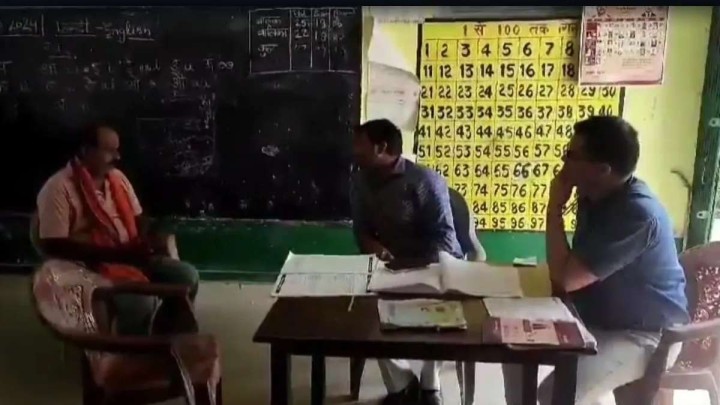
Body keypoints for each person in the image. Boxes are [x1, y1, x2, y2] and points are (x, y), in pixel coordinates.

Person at [502, 116, 689, 405]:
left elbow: (565, 278)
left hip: (643, 335)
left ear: (602, 170)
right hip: (593, 317)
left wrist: (554, 209)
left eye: (571, 155)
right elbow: (567, 274)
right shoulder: (594, 194)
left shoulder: (636, 214)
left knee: (555, 394)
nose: (563, 161)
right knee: (510, 345)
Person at [36, 123, 200, 335]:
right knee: (141, 303)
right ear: (86, 151)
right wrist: (120, 255)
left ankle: (165, 340)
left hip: (131, 257)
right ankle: (128, 352)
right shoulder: (58, 188)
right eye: (109, 151)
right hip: (92, 268)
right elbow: (52, 245)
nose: (117, 157)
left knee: (187, 277)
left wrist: (148, 240)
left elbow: (139, 218)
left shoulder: (117, 178)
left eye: (117, 150)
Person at [350, 119, 462, 405]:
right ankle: (402, 386)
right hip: (387, 268)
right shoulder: (360, 182)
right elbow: (361, 231)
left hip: (432, 266)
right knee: (368, 313)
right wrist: (375, 248)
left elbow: (446, 241)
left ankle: (430, 385)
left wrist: (409, 267)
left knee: (437, 311)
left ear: (381, 148)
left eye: (360, 145)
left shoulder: (425, 181)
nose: (354, 150)